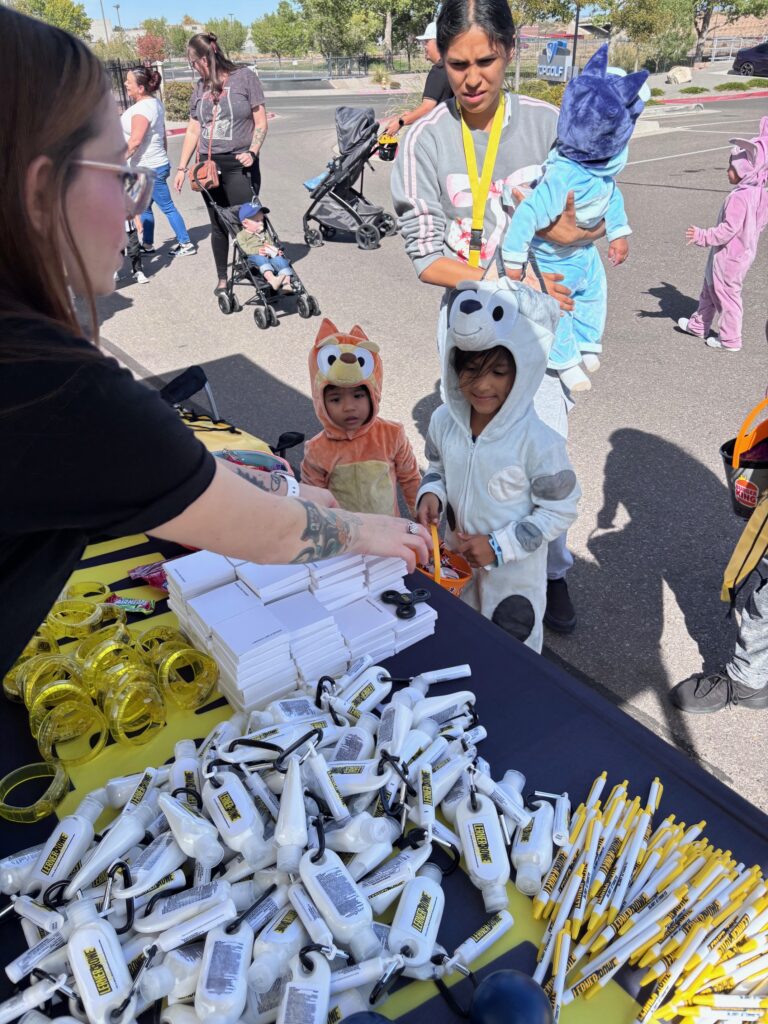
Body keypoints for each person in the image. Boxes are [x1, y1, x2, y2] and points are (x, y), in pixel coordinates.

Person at [0, 8, 430, 681]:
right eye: (118, 172)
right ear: (39, 193)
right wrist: (363, 530)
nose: (134, 203)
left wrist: (265, 487)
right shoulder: (47, 385)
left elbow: (157, 475)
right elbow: (272, 535)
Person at [391, 0, 605, 635]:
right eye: (458, 64)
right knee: (481, 464)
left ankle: (550, 573)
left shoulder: (549, 125)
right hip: (473, 336)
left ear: (509, 51)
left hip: (542, 339)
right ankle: (475, 566)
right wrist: (507, 280)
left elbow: (589, 217)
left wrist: (574, 237)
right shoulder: (424, 142)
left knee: (540, 462)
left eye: (486, 59)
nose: (473, 77)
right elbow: (427, 256)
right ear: (441, 61)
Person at [416, 280, 580, 653]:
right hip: (456, 565)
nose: (483, 385)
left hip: (513, 579)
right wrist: (432, 492)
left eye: (499, 372)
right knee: (457, 637)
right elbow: (437, 465)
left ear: (522, 370)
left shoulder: (539, 441)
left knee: (510, 652)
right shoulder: (444, 421)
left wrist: (500, 547)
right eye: (471, 370)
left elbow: (561, 509)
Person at [501, 46, 648, 392]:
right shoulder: (563, 176)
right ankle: (565, 360)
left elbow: (612, 199)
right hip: (554, 257)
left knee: (595, 294)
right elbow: (528, 215)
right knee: (558, 305)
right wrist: (514, 260)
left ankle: (587, 342)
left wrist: (618, 235)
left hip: (583, 254)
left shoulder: (602, 176)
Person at [173, 32, 269, 296]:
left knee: (248, 221)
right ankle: (222, 278)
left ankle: (263, 274)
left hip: (240, 163)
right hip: (208, 169)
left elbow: (260, 121)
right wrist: (182, 168)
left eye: (193, 62)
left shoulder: (245, 77)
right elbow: (194, 129)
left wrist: (253, 150)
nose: (193, 68)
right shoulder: (200, 88)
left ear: (205, 58)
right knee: (218, 224)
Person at [301, 319, 422, 517]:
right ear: (320, 399)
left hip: (390, 535)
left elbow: (410, 479)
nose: (349, 407)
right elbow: (313, 502)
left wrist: (422, 518)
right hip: (345, 541)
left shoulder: (392, 435)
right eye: (336, 399)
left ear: (373, 392)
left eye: (358, 396)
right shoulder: (317, 450)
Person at [677, 117, 768, 353]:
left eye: (732, 167)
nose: (728, 171)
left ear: (744, 171)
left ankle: (730, 340)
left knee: (727, 296)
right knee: (709, 287)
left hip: (730, 255)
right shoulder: (759, 193)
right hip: (741, 252)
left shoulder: (739, 197)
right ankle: (699, 325)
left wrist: (702, 236)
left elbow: (728, 230)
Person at [121, 66, 196, 257]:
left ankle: (185, 243)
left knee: (167, 207)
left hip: (150, 168)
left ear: (141, 88)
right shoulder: (154, 103)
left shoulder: (142, 109)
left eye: (129, 81)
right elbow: (161, 136)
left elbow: (135, 141)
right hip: (152, 164)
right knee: (144, 207)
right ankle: (147, 244)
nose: (125, 84)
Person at [380, 21, 454, 137]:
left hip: (442, 136)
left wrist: (400, 122)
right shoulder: (453, 68)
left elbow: (427, 108)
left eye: (427, 41)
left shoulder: (438, 71)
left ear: (439, 43)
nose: (424, 46)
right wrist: (412, 115)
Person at [236, 201, 296, 293]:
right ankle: (272, 279)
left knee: (281, 260)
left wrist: (276, 251)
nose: (261, 223)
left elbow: (271, 243)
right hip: (254, 257)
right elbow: (244, 249)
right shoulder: (242, 235)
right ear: (245, 223)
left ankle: (286, 284)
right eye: (257, 221)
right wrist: (257, 251)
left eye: (262, 220)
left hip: (269, 255)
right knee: (260, 259)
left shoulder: (264, 233)